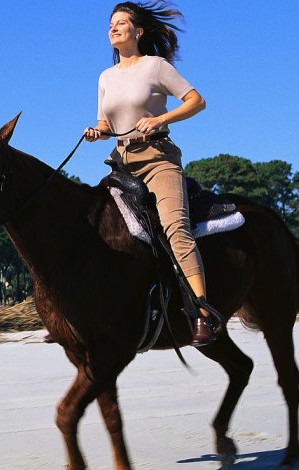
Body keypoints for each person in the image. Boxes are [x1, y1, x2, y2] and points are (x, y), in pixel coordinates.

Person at [84, 1, 215, 345]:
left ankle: (203, 313)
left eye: (121, 23)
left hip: (158, 160)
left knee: (176, 228)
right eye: (110, 24)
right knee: (94, 227)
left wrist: (159, 119)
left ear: (137, 32)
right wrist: (97, 131)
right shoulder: (105, 77)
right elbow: (106, 121)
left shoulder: (156, 66)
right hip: (121, 163)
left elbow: (196, 101)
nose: (113, 28)